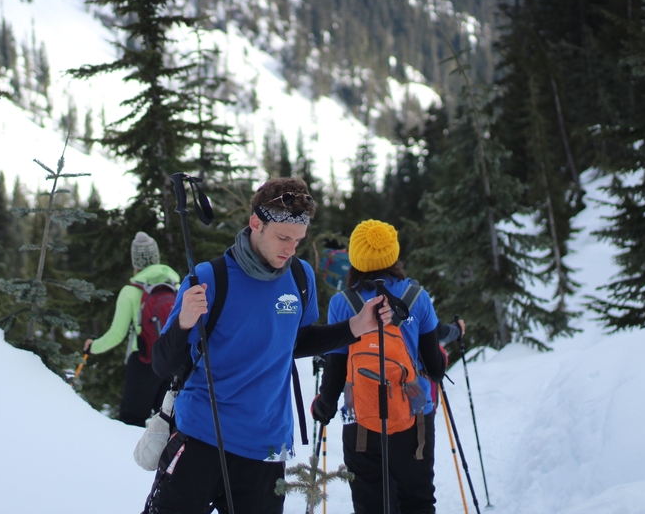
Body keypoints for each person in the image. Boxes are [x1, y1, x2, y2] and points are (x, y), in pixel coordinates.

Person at [142, 177, 393, 514]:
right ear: (256, 223)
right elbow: (163, 364)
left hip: (266, 449)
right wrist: (185, 320)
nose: (290, 249)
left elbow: (296, 340)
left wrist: (356, 327)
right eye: (283, 237)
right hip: (202, 437)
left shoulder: (300, 278)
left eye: (298, 241)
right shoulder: (210, 278)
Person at [311, 220, 447, 514]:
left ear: (355, 258)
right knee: (418, 500)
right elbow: (435, 367)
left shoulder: (342, 302)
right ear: (393, 254)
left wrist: (324, 405)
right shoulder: (417, 297)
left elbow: (336, 366)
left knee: (369, 503)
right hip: (414, 418)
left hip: (361, 418)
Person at [84, 232, 181, 426]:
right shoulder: (177, 285)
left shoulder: (131, 291)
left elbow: (117, 335)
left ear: (135, 261)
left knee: (131, 422)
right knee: (169, 425)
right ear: (156, 258)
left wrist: (92, 347)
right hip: (172, 362)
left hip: (144, 362)